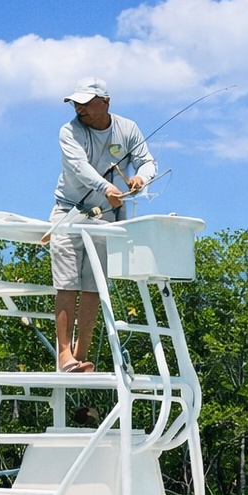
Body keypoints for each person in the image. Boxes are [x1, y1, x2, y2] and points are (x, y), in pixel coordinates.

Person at [49, 76, 156, 373]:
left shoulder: (128, 128)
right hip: (69, 212)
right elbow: (79, 167)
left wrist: (140, 179)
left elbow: (148, 162)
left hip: (105, 216)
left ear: (105, 102)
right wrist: (106, 187)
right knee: (67, 282)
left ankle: (81, 357)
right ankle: (64, 355)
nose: (79, 108)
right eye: (75, 103)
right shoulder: (69, 131)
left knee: (94, 285)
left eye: (85, 103)